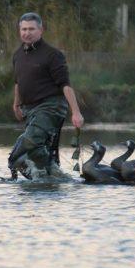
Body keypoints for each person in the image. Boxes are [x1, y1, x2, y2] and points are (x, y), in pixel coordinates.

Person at [8, 12, 84, 180]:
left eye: (31, 29)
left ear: (41, 30)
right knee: (25, 154)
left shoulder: (52, 55)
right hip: (30, 109)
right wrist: (16, 104)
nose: (27, 33)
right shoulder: (18, 55)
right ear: (19, 30)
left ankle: (53, 173)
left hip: (52, 107)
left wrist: (76, 112)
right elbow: (18, 82)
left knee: (28, 143)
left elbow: (66, 85)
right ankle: (50, 176)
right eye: (23, 29)